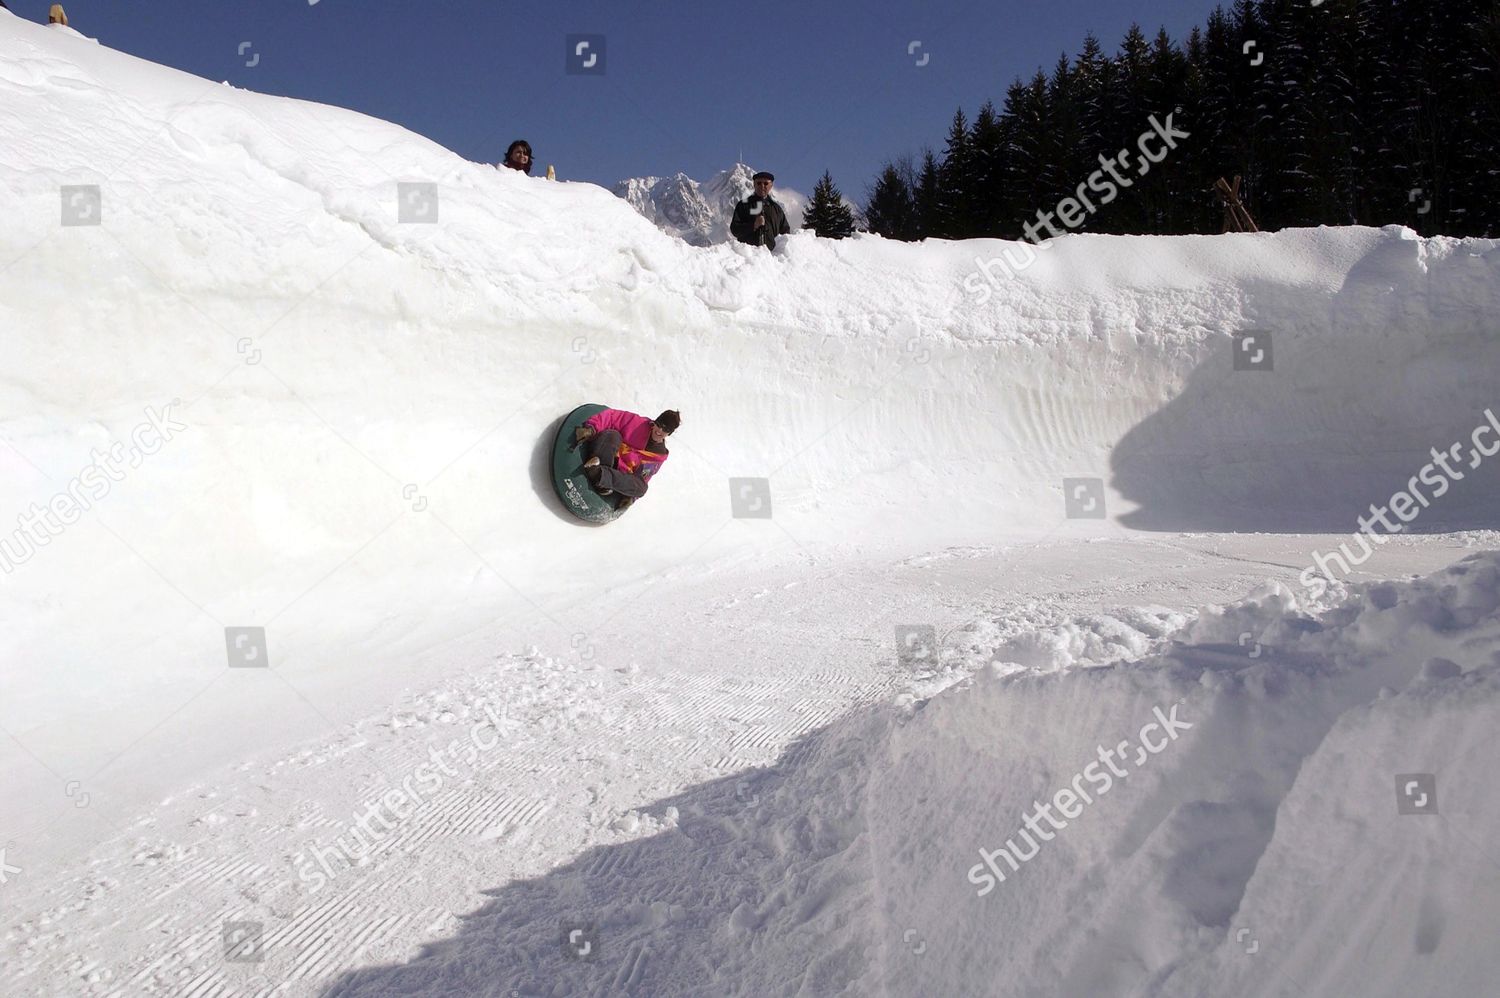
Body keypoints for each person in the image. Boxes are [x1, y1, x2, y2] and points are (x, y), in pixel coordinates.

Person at [574, 408, 680, 511]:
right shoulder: (639, 424)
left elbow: (645, 476)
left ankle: (598, 474)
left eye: (665, 430)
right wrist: (592, 429)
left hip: (620, 475)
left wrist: (631, 497)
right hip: (609, 456)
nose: (659, 431)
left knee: (642, 488)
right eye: (659, 425)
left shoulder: (658, 455)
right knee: (612, 435)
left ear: (669, 433)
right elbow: (612, 416)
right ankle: (599, 476)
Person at [731, 171, 792, 249]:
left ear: (771, 185)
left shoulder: (777, 209)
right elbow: (735, 229)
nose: (762, 186)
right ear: (754, 184)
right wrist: (753, 225)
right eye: (759, 183)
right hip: (748, 256)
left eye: (766, 183)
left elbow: (785, 234)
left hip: (772, 257)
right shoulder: (743, 205)